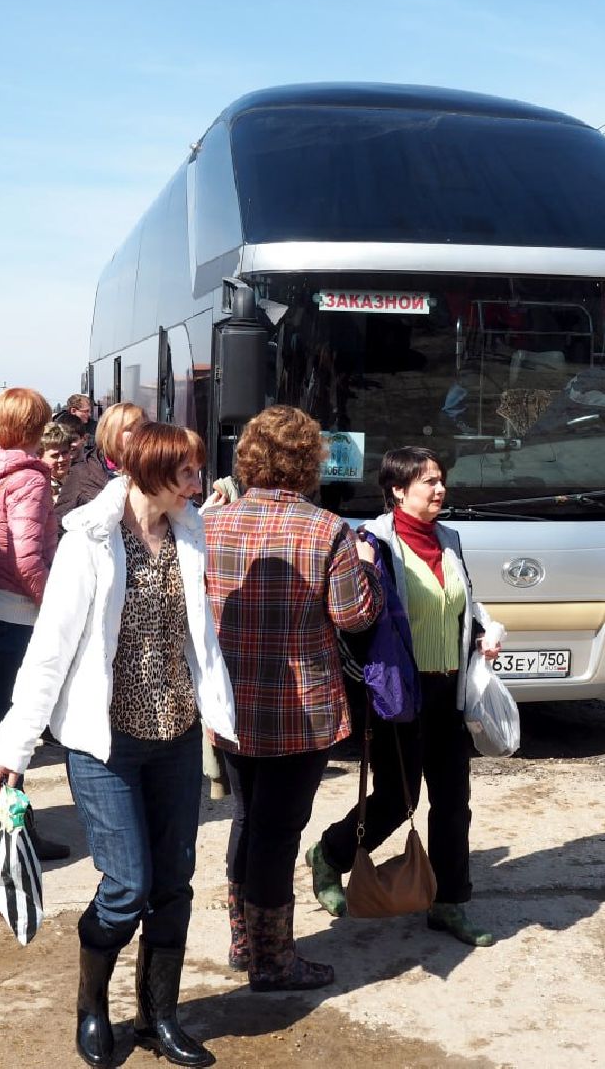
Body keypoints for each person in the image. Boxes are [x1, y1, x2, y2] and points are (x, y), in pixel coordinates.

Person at [0, 421, 237, 1069]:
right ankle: (92, 1007)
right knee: (127, 886)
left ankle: (160, 1018)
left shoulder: (190, 530)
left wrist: (218, 712)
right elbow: (50, 651)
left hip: (177, 733)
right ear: (151, 472)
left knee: (173, 883)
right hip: (106, 743)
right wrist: (13, 745)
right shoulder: (91, 541)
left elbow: (198, 639)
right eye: (186, 472)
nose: (197, 483)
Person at [204, 405, 382, 991]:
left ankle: (243, 939)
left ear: (250, 457)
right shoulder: (327, 529)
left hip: (231, 703)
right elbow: (353, 617)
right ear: (310, 462)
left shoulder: (213, 526)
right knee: (278, 833)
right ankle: (273, 960)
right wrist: (370, 572)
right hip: (299, 710)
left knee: (248, 819)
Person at [310, 446, 504, 947]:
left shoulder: (450, 539)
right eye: (428, 482)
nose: (440, 490)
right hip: (400, 692)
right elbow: (355, 624)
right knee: (399, 799)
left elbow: (460, 604)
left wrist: (484, 630)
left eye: (441, 480)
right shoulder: (373, 541)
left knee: (453, 801)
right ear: (398, 490)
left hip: (449, 689)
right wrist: (368, 688)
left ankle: (450, 903)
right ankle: (330, 856)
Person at [0, 387, 67, 860]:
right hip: (17, 613)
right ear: (34, 426)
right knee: (16, 722)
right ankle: (11, 824)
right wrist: (55, 604)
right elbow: (27, 558)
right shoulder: (29, 479)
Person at [55, 401, 145, 519]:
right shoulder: (83, 473)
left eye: (143, 428)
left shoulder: (153, 470)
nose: (139, 434)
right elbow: (59, 521)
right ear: (111, 431)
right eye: (130, 428)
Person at [39, 422, 75, 502]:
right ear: (40, 457)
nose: (61, 459)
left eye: (65, 453)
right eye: (55, 455)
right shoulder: (38, 487)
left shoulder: (80, 478)